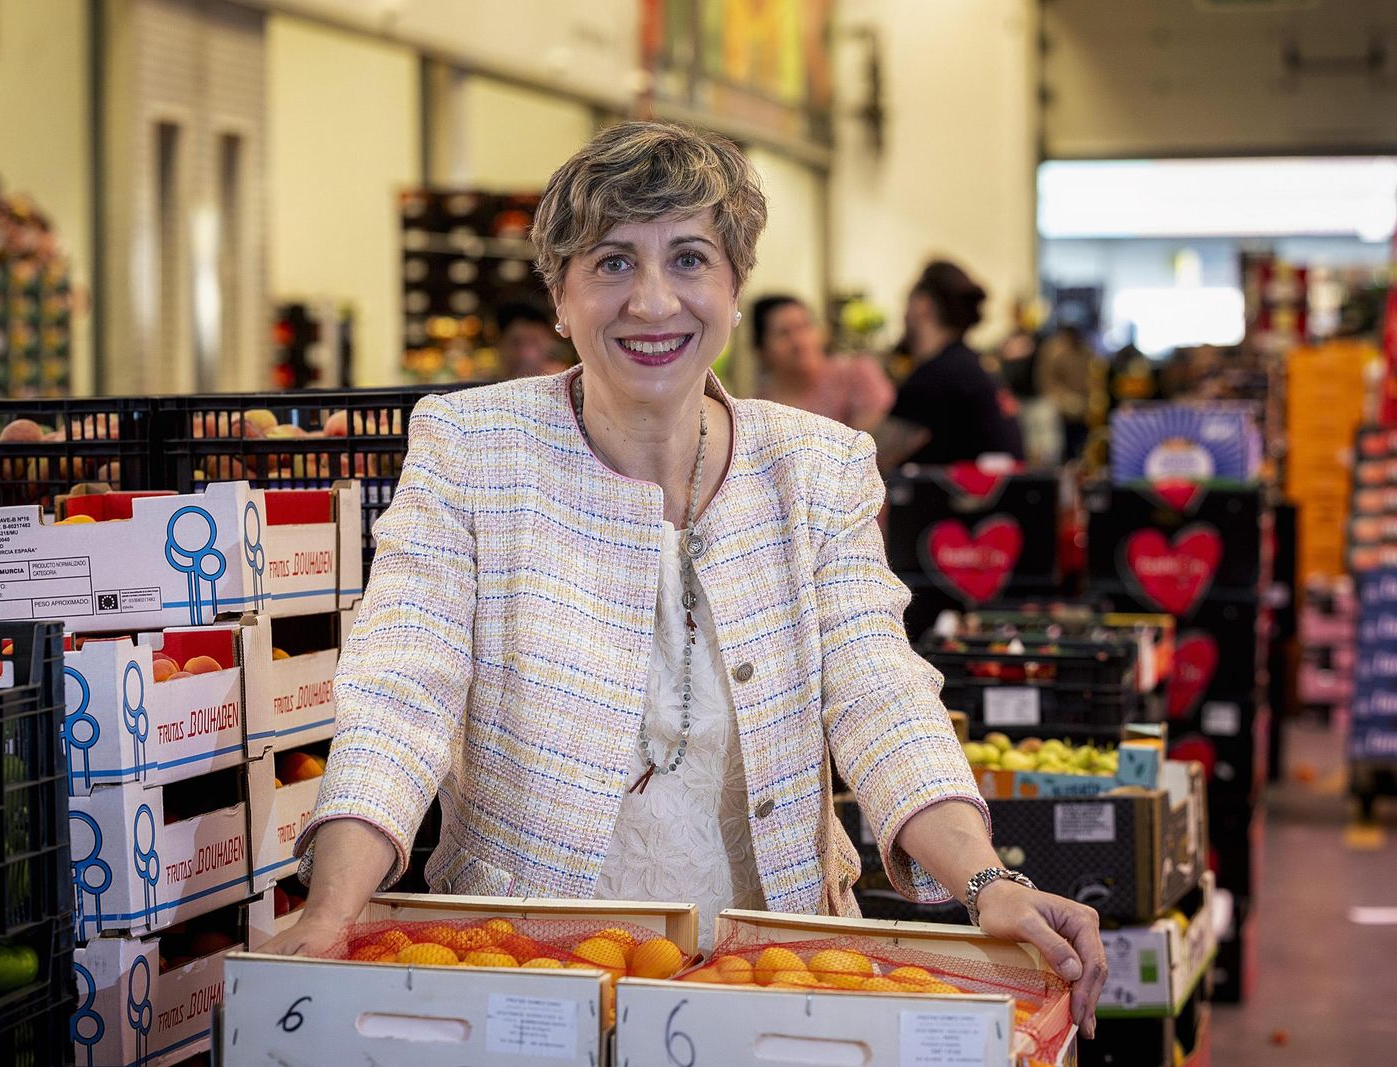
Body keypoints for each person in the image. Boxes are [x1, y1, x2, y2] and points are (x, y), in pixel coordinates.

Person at [260, 121, 1106, 1036]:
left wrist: (986, 881)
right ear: (560, 295)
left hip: (772, 977)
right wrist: (333, 911)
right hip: (528, 975)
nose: (653, 301)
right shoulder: (471, 448)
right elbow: (401, 692)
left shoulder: (818, 467)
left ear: (735, 287)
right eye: (612, 262)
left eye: (690, 258)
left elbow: (879, 693)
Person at [879, 260, 1024, 467]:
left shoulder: (937, 376)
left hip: (970, 489)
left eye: (907, 303)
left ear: (923, 306)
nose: (903, 315)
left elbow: (871, 459)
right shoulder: (969, 366)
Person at [752, 293, 896, 431]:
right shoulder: (759, 410)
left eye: (804, 327)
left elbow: (876, 435)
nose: (799, 342)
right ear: (761, 350)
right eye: (784, 333)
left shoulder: (856, 375)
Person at [1035, 325, 1098, 460]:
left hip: (1085, 409)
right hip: (1060, 408)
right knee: (1059, 447)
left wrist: (1089, 399)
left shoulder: (1087, 351)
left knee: (1084, 445)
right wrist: (1066, 400)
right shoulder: (1053, 350)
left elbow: (1093, 378)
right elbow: (1047, 380)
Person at [495, 300, 568, 378]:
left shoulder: (566, 380)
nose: (526, 355)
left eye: (535, 342)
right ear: (500, 345)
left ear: (550, 343)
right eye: (516, 343)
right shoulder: (489, 382)